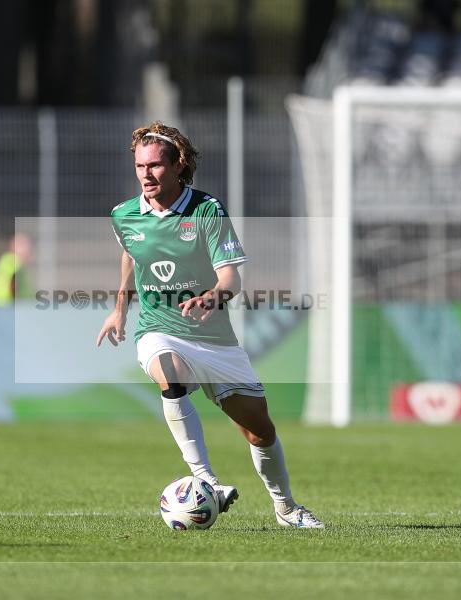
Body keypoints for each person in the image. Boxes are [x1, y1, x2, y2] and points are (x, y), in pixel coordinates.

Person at [96, 122, 324, 528]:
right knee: (169, 370)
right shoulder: (124, 215)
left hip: (214, 337)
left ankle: (286, 508)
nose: (146, 175)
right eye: (139, 166)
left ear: (178, 165)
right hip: (159, 327)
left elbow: (231, 278)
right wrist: (120, 308)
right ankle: (206, 480)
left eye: (155, 166)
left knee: (259, 432)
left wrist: (213, 297)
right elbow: (130, 256)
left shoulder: (206, 210)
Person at [0, 233, 34, 306]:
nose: (29, 251)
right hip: (7, 303)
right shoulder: (14, 263)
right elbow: (15, 285)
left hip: (0, 302)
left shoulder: (6, 259)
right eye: (26, 247)